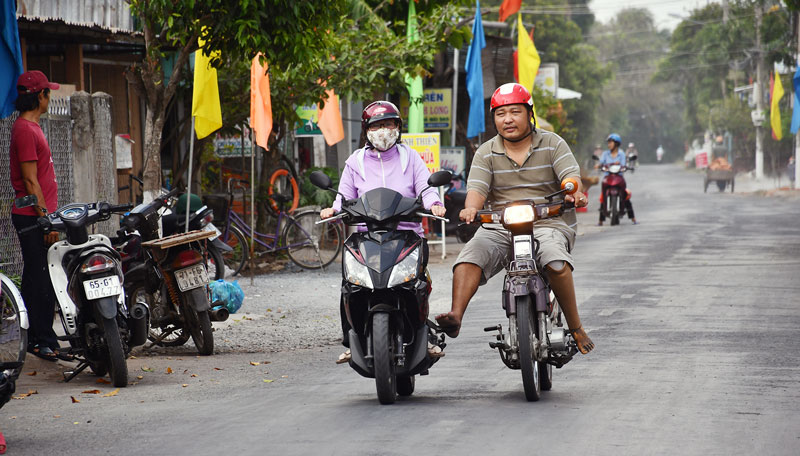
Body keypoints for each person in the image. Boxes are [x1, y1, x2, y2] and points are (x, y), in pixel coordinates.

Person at [434, 83, 594, 354]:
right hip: (500, 224)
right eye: (500, 113)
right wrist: (470, 209)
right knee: (469, 256)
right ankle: (456, 316)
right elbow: (477, 190)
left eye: (515, 112)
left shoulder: (553, 143)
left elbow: (571, 177)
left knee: (555, 261)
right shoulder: (486, 152)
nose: (507, 119)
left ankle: (576, 326)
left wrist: (573, 192)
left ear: (529, 114)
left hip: (548, 222)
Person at [319, 101, 446, 363]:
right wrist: (334, 209)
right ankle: (351, 338)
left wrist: (434, 203)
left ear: (398, 127)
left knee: (416, 285)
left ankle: (424, 334)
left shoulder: (411, 157)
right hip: (366, 236)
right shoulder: (355, 162)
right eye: (377, 125)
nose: (383, 130)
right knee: (350, 287)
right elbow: (343, 196)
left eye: (389, 124)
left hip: (407, 234)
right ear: (366, 130)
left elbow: (426, 187)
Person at [9, 71, 70, 362]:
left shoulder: (32, 126)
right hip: (32, 215)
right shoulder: (24, 129)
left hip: (40, 214)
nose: (50, 96)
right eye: (48, 91)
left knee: (42, 275)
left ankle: (44, 335)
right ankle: (40, 338)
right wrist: (46, 218)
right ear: (40, 96)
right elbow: (30, 181)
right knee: (40, 277)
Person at [595, 133, 637, 225]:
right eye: (608, 143)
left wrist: (625, 167)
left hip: (619, 177)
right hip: (608, 177)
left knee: (626, 194)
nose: (609, 144)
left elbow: (623, 164)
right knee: (603, 196)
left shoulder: (621, 154)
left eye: (610, 142)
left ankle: (633, 218)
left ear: (616, 144)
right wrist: (598, 165)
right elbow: (601, 162)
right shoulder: (605, 154)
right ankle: (600, 220)